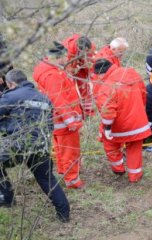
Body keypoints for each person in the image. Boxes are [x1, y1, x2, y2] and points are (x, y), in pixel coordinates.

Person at [0, 69, 70, 222]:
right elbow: (50, 125)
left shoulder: (10, 96)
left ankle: (6, 197)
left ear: (11, 84)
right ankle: (64, 215)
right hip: (42, 146)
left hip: (18, 145)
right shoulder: (44, 98)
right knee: (47, 180)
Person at [33, 41, 85, 189]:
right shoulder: (52, 75)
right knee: (70, 150)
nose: (67, 59)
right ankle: (73, 180)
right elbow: (59, 100)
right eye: (65, 56)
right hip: (64, 121)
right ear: (59, 56)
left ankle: (64, 171)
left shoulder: (47, 70)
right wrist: (71, 122)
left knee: (62, 148)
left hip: (57, 120)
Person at [92, 58, 152, 183]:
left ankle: (118, 168)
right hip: (138, 122)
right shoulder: (131, 73)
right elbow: (143, 94)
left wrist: (107, 128)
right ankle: (135, 176)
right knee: (134, 149)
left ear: (101, 73)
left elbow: (108, 112)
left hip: (119, 126)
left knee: (109, 142)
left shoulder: (106, 86)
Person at [61, 34, 96, 116]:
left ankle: (88, 112)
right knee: (70, 89)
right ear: (78, 48)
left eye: (86, 51)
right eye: (83, 52)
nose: (85, 53)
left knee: (85, 87)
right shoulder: (67, 50)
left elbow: (92, 64)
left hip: (81, 64)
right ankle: (74, 111)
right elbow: (67, 69)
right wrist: (73, 70)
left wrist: (88, 67)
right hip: (71, 65)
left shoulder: (91, 47)